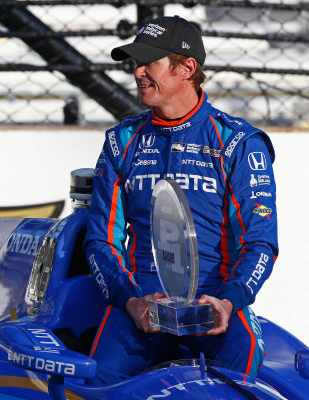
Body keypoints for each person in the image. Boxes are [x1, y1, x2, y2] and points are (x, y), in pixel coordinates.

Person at [84, 15, 278, 383]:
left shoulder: (238, 143)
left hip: (215, 305)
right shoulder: (120, 142)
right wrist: (132, 300)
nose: (138, 72)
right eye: (135, 63)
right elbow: (100, 242)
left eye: (148, 62)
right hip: (140, 308)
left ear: (187, 67)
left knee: (242, 373)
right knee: (98, 381)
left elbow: (261, 243)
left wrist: (229, 301)